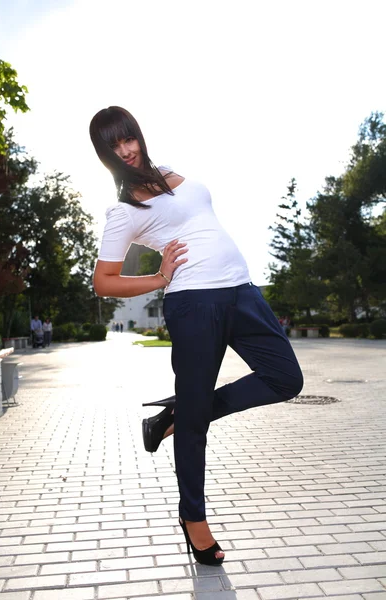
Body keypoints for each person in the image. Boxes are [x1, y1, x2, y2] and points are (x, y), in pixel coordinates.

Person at [90, 106, 303, 566]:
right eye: (114, 146)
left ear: (138, 135)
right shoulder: (123, 210)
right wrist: (157, 278)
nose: (126, 149)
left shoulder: (167, 172)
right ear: (104, 155)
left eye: (129, 138)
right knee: (195, 423)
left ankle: (175, 415)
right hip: (193, 303)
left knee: (286, 378)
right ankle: (194, 520)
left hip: (243, 290)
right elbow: (103, 281)